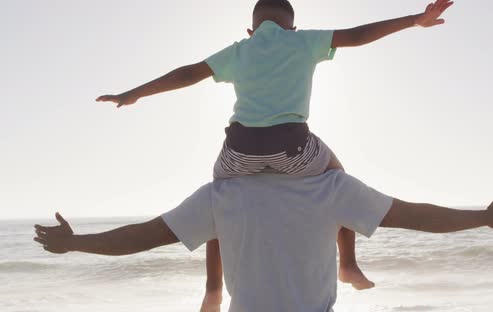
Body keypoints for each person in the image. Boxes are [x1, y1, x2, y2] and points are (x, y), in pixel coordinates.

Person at [95, 0, 455, 307]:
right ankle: (348, 263)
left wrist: (134, 93)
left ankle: (212, 291)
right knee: (338, 176)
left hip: (238, 151)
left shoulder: (239, 50)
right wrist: (414, 20)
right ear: (293, 27)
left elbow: (188, 74)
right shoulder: (302, 42)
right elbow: (358, 35)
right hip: (294, 148)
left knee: (220, 205)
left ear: (251, 30)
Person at [34, 170, 493, 312]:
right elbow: (142, 237)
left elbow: (414, 217)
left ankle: (348, 266)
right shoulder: (329, 185)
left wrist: (482, 218)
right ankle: (348, 266)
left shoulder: (223, 195)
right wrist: (481, 218)